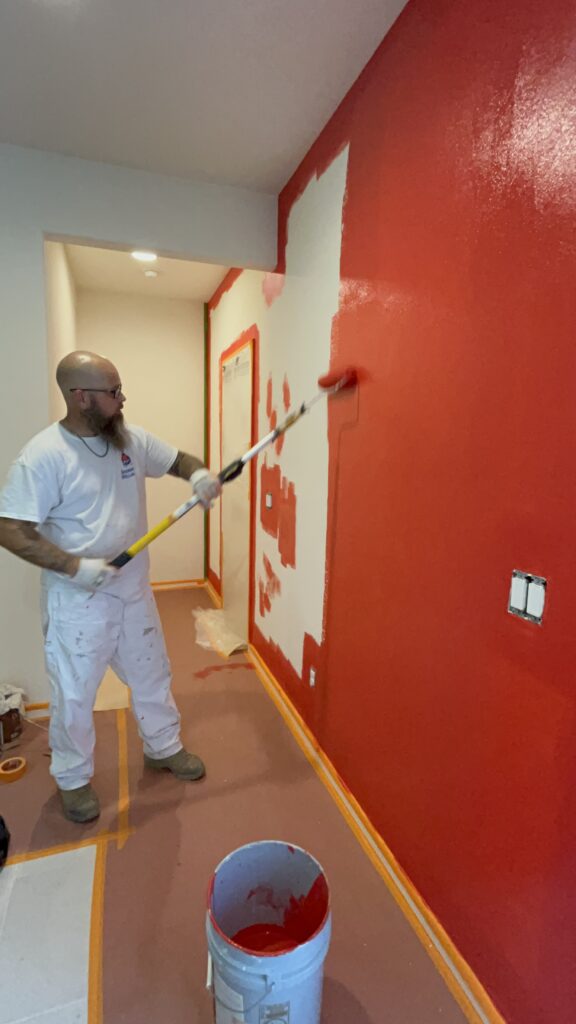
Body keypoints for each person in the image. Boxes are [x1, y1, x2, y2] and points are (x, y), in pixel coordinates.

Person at [0, 351, 222, 823]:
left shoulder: (129, 439)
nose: (122, 400)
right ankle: (74, 779)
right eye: (113, 392)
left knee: (152, 675)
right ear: (81, 397)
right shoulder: (44, 456)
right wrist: (73, 566)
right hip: (78, 602)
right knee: (75, 696)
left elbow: (179, 459)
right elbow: (10, 527)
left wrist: (198, 475)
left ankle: (163, 747)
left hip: (133, 591)